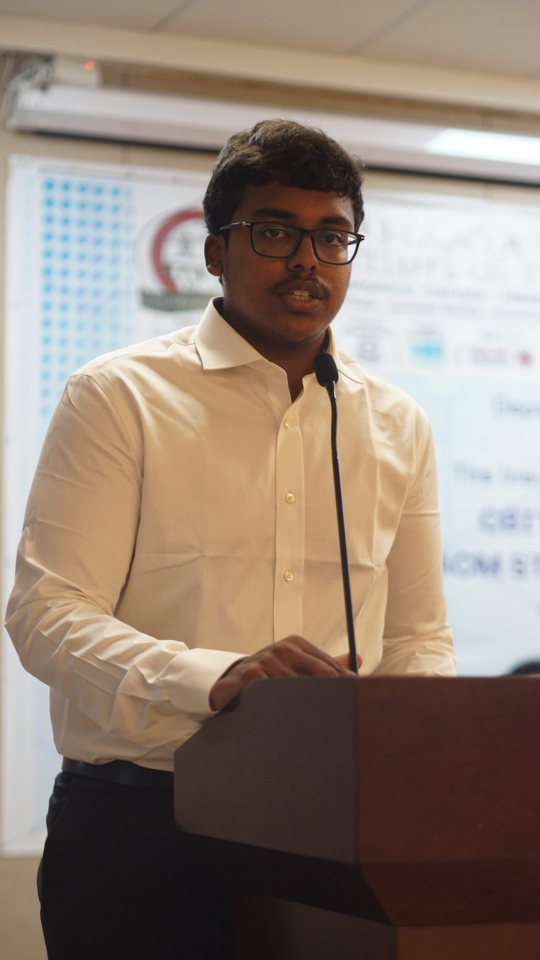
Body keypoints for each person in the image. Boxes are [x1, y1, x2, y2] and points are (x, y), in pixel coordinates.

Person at [6, 118, 456, 960]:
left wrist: (405, 750)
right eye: (276, 233)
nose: (307, 262)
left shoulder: (398, 424)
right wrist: (216, 678)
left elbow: (418, 638)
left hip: (332, 829)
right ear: (216, 251)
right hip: (140, 825)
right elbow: (47, 615)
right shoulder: (118, 396)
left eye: (332, 238)